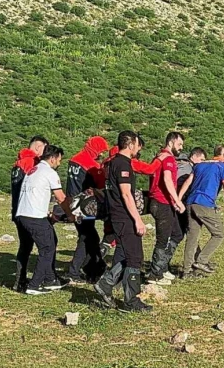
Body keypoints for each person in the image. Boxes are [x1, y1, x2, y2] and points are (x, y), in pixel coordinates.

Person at [94, 131, 152, 312]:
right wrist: (138, 220)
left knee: (126, 254)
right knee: (134, 257)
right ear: (130, 144)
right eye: (137, 144)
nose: (138, 148)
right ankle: (130, 301)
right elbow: (126, 194)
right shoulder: (122, 164)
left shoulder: (113, 163)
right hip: (124, 216)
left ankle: (106, 283)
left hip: (117, 215)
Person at [15, 145, 76, 295]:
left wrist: (48, 213)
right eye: (59, 160)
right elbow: (60, 197)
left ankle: (50, 279)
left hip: (23, 215)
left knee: (52, 240)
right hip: (34, 217)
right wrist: (70, 215)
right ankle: (34, 285)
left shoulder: (33, 170)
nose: (59, 163)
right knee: (47, 248)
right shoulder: (49, 172)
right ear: (53, 158)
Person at [180, 145, 224, 278]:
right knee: (219, 234)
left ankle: (186, 271)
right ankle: (202, 261)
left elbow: (187, 182)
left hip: (190, 203)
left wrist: (178, 199)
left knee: (192, 237)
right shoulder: (222, 166)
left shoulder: (199, 165)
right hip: (204, 203)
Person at [66, 136, 109, 284]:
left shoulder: (74, 159)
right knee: (87, 237)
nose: (101, 154)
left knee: (89, 237)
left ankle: (89, 269)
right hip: (84, 206)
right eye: (101, 151)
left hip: (72, 202)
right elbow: (101, 183)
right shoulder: (90, 165)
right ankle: (74, 272)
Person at [146, 132, 186, 286]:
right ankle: (155, 274)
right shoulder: (167, 158)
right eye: (179, 144)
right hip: (161, 202)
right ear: (171, 142)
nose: (181, 148)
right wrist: (178, 200)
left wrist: (173, 201)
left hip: (164, 202)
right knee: (162, 239)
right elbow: (167, 179)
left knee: (177, 233)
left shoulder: (159, 157)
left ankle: (162, 267)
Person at [11, 135, 48, 293]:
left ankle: (20, 279)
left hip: (16, 209)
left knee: (25, 245)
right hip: (28, 210)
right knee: (44, 245)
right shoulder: (31, 163)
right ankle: (35, 279)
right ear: (39, 147)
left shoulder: (18, 163)